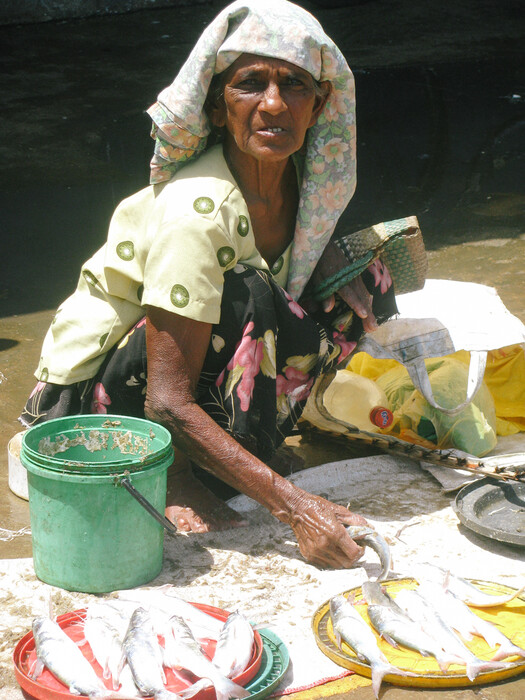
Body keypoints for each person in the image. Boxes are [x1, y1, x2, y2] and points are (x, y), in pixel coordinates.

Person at [20, 0, 397, 569]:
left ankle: (251, 448)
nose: (274, 104)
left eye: (294, 85)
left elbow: (303, 266)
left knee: (364, 273)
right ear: (218, 108)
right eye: (250, 84)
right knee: (244, 291)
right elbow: (167, 400)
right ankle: (177, 474)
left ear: (318, 106)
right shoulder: (196, 213)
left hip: (188, 363)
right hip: (105, 398)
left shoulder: (301, 185)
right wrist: (294, 508)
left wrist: (321, 258)